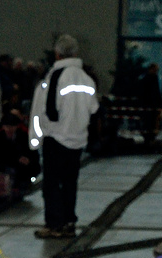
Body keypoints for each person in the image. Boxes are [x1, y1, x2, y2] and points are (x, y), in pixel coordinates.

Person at [28, 34, 98, 238]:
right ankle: (68, 221)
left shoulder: (55, 77)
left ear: (57, 54)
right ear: (75, 53)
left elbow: (47, 111)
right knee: (69, 183)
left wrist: (36, 139)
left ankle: (54, 225)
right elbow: (94, 109)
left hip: (56, 139)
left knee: (51, 185)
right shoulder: (86, 78)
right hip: (77, 141)